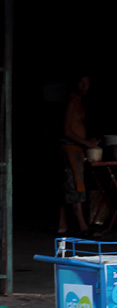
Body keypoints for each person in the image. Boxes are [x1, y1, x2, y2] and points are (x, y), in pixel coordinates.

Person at [58, 75, 98, 236]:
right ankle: (83, 227)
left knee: (67, 188)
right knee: (75, 187)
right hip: (69, 149)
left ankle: (63, 226)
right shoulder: (71, 101)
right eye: (81, 82)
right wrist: (86, 143)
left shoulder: (79, 101)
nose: (84, 86)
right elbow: (67, 130)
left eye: (87, 83)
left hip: (75, 150)